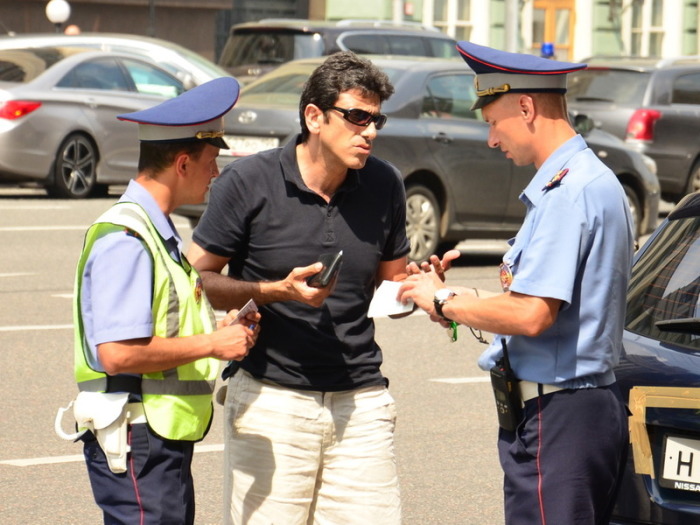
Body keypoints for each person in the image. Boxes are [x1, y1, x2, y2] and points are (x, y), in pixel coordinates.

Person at [398, 41, 634, 525]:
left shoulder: (567, 193)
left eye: (492, 123)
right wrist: (459, 296)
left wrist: (444, 301)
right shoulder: (585, 180)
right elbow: (536, 300)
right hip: (572, 410)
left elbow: (532, 314)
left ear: (526, 107)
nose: (490, 140)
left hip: (560, 415)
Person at [186, 51, 408, 525]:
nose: (369, 131)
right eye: (356, 117)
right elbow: (197, 280)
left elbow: (394, 284)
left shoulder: (384, 183)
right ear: (314, 116)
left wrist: (423, 288)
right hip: (272, 402)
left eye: (376, 120)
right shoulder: (249, 182)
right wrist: (274, 291)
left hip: (361, 402)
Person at [60, 77, 260, 524]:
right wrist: (213, 346)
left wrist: (219, 333)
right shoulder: (127, 238)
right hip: (138, 438)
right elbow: (118, 352)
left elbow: (162, 329)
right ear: (184, 163)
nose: (217, 173)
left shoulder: (154, 232)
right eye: (212, 161)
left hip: (156, 436)